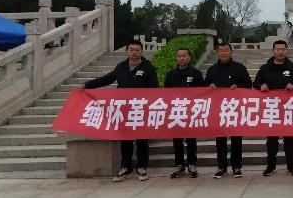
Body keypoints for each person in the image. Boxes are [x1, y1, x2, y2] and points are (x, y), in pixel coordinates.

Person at [84, 39, 158, 182]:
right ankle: (125, 167)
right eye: (132, 49)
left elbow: (154, 89)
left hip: (141, 109)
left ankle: (142, 167)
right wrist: (87, 85)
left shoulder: (148, 67)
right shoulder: (121, 67)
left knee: (142, 140)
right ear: (127, 51)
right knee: (125, 140)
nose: (134, 52)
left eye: (137, 50)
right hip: (124, 109)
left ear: (142, 51)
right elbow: (106, 79)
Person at [254, 39, 293, 176]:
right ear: (273, 51)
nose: (280, 52)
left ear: (286, 51)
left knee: (289, 139)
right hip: (272, 109)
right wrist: (261, 86)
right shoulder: (265, 68)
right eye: (278, 49)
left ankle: (291, 166)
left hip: (288, 109)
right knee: (271, 140)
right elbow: (255, 83)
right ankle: (270, 166)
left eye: (283, 49)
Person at [205, 42, 252, 178]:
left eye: (226, 50)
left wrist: (238, 87)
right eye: (221, 50)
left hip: (235, 108)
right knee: (220, 140)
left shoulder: (239, 68)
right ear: (217, 53)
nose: (223, 53)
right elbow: (204, 86)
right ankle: (222, 167)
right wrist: (210, 86)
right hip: (218, 109)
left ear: (231, 52)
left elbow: (248, 84)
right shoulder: (212, 69)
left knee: (236, 139)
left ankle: (236, 167)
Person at [164, 47, 204, 179]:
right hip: (176, 112)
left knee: (191, 140)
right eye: (179, 56)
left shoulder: (196, 74)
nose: (182, 58)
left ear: (189, 57)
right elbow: (166, 94)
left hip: (191, 112)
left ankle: (192, 164)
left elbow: (202, 92)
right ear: (176, 58)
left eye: (184, 56)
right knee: (177, 141)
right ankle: (179, 165)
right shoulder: (170, 75)